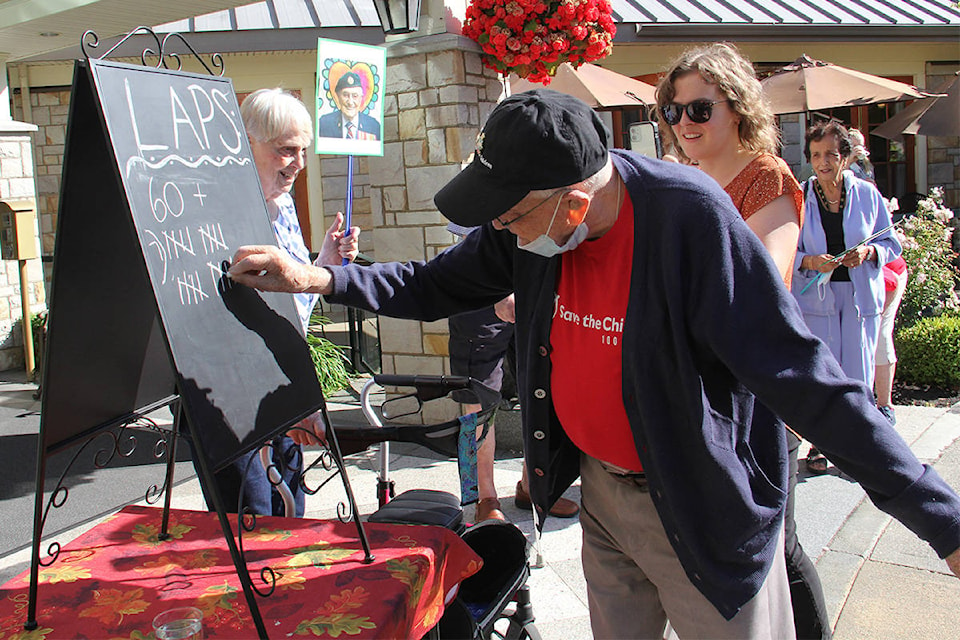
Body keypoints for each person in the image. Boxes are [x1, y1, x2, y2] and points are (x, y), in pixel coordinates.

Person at [229, 89, 960, 639]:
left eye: (510, 217)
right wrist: (317, 277)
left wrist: (944, 522)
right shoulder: (531, 225)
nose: (498, 232)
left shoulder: (689, 223)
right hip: (603, 500)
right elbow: (437, 282)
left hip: (700, 506)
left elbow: (810, 383)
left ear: (575, 204)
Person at [656, 42, 828, 640]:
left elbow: (765, 275)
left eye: (698, 110)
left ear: (736, 107)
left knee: (776, 547)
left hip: (758, 392)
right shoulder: (679, 180)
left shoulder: (767, 177)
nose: (684, 125)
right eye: (673, 112)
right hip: (700, 396)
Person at [206, 88, 359, 518]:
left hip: (282, 378)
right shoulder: (215, 210)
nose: (299, 164)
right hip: (231, 394)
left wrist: (325, 264)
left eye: (304, 151)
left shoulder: (284, 204)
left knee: (292, 509)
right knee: (251, 516)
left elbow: (289, 301)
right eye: (286, 150)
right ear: (248, 142)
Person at [791, 120, 901, 475]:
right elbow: (782, 251)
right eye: (816, 155)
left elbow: (890, 243)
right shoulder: (800, 197)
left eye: (831, 155)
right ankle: (821, 447)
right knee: (824, 377)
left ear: (846, 157)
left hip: (858, 298)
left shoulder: (868, 195)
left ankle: (858, 450)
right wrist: (810, 261)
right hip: (816, 301)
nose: (823, 162)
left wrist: (868, 253)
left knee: (857, 376)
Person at [447, 287, 579, 523]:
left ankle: (534, 488)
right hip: (479, 295)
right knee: (477, 401)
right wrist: (496, 291)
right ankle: (483, 498)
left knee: (542, 388)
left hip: (534, 294)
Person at [875, 255, 909, 424]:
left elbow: (892, 282)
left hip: (890, 276)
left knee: (879, 334)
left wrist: (876, 318)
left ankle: (885, 406)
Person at [317, 72, 381, 141]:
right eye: (345, 95)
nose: (350, 102)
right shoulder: (324, 123)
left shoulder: (373, 126)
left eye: (355, 96)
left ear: (361, 98)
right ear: (338, 97)